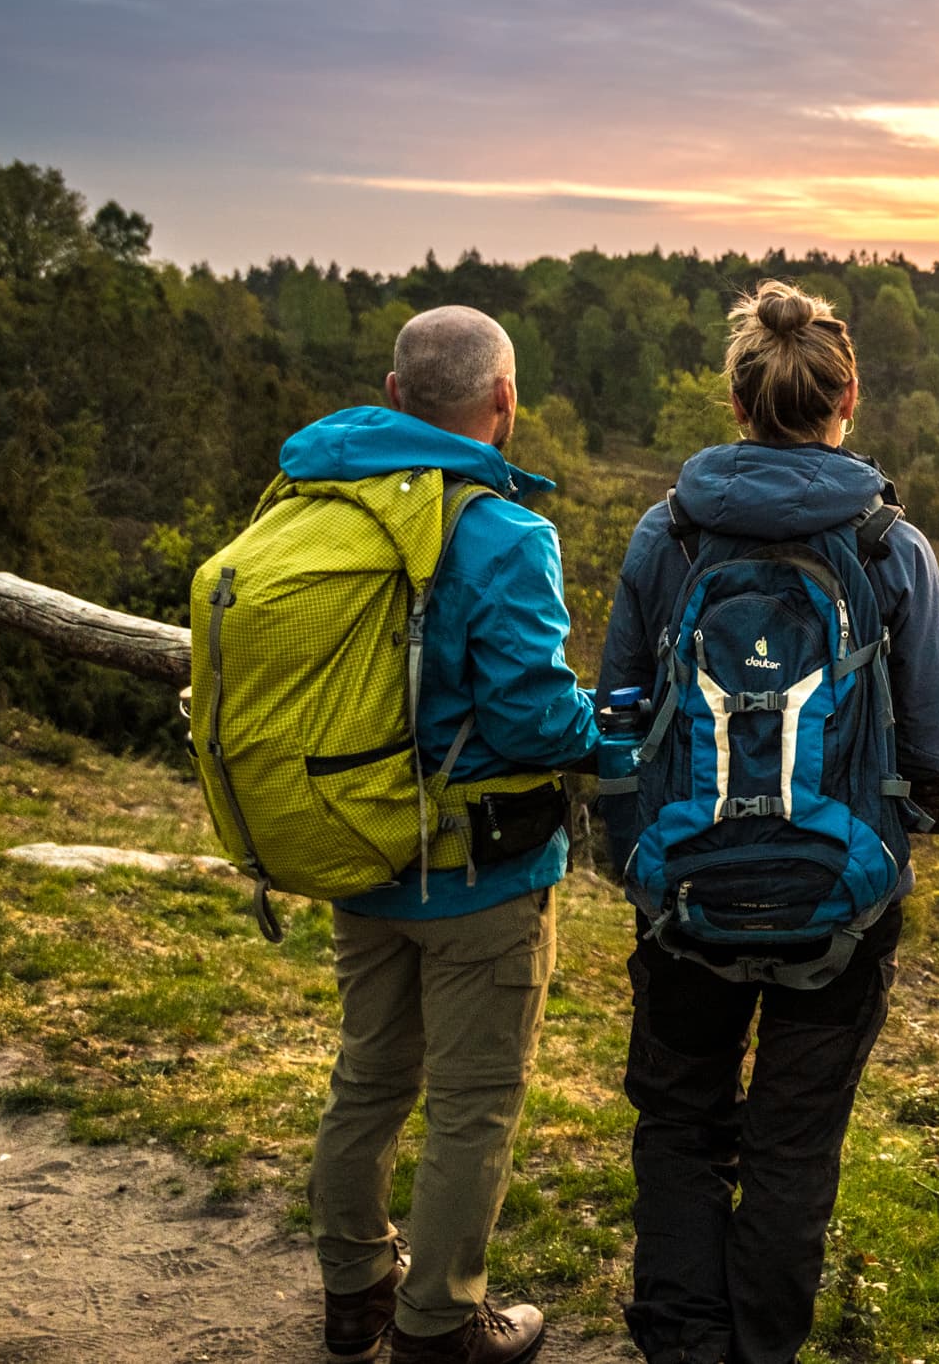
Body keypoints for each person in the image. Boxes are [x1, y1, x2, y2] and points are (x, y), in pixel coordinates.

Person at [599, 280, 939, 1364]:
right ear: (847, 396)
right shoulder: (892, 546)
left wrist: (635, 851)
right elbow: (937, 751)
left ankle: (682, 1345)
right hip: (837, 909)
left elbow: (619, 711)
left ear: (737, 400)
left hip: (688, 893)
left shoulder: (666, 535)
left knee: (678, 1125)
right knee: (792, 1146)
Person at [303, 307, 599, 1364]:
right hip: (482, 875)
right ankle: (438, 1326)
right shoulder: (502, 530)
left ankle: (353, 1293)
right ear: (505, 401)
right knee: (473, 1106)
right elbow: (529, 716)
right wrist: (598, 735)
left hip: (354, 847)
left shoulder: (320, 504)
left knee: (368, 1080)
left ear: (393, 393)